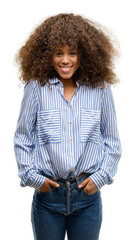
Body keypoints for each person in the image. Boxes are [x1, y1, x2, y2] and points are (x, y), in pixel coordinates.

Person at [13, 13, 122, 240]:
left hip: (87, 198)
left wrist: (100, 178)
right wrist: (35, 180)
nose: (65, 60)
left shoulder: (100, 88)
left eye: (72, 53)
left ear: (85, 55)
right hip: (48, 199)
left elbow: (112, 141)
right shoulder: (36, 88)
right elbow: (23, 138)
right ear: (46, 55)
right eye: (58, 53)